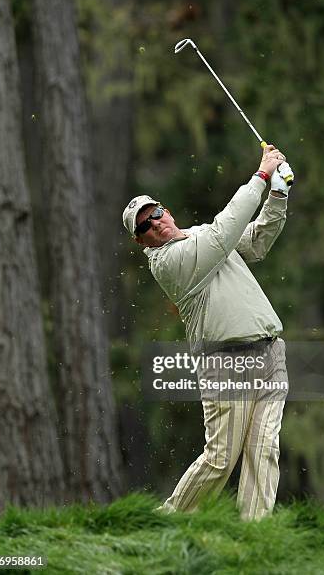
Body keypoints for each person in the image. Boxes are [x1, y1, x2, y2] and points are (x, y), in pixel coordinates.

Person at [122, 145, 294, 521]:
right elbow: (224, 233)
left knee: (264, 450)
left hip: (270, 353)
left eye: (156, 213)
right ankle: (167, 520)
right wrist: (262, 176)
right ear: (142, 240)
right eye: (144, 226)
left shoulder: (202, 236)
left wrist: (278, 195)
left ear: (165, 209)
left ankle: (256, 537)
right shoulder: (168, 263)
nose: (155, 223)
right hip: (225, 361)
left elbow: (258, 240)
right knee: (221, 458)